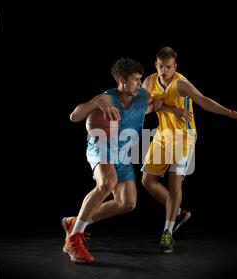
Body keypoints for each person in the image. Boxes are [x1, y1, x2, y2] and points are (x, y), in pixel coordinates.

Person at [141, 47, 237, 253]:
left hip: (183, 136)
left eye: (169, 67)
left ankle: (168, 233)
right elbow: (143, 109)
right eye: (161, 66)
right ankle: (178, 212)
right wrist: (169, 108)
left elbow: (204, 101)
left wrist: (229, 112)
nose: (164, 70)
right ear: (155, 65)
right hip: (162, 135)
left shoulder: (181, 84)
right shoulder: (148, 82)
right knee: (147, 180)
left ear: (175, 67)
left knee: (174, 181)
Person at [63, 57, 165, 263]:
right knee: (107, 183)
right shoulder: (106, 98)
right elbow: (74, 116)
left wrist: (164, 106)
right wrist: (94, 102)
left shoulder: (142, 96)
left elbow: (148, 108)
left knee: (127, 203)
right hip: (100, 146)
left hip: (122, 154)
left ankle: (76, 222)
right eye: (135, 79)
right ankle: (73, 240)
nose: (139, 83)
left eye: (140, 79)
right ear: (122, 79)